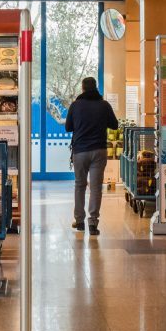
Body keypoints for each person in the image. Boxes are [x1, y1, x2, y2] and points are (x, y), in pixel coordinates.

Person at [65, 77, 119, 235]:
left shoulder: (75, 106)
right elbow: (114, 125)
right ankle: (93, 223)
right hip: (99, 151)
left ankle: (79, 221)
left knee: (80, 185)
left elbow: (68, 128)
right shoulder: (104, 105)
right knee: (96, 188)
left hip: (80, 151)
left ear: (82, 89)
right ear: (95, 88)